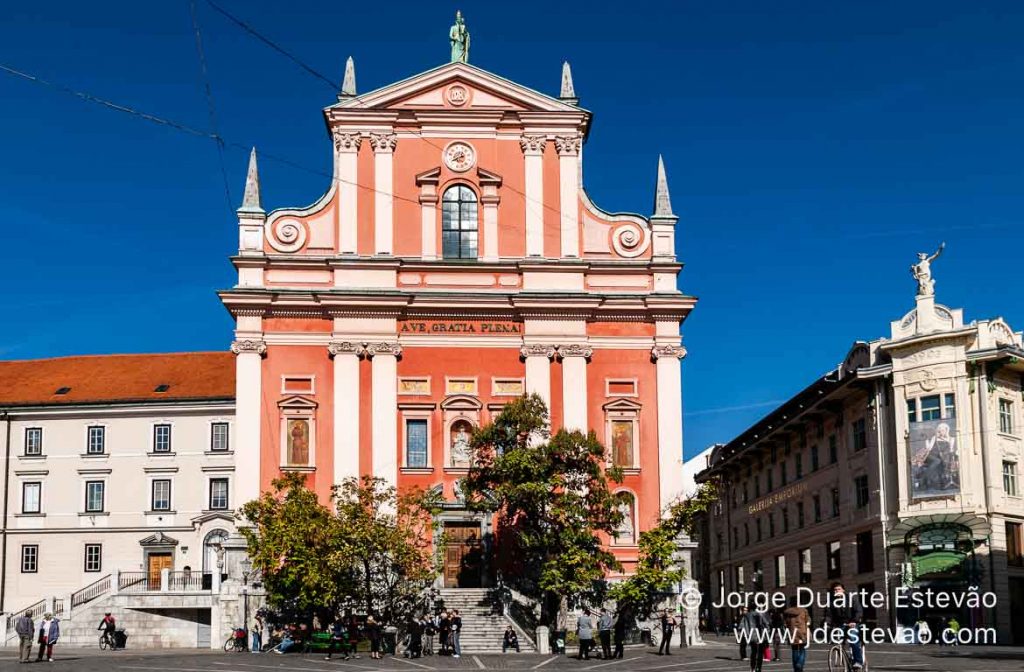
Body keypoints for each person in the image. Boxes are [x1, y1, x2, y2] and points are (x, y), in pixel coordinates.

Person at [826, 582, 864, 669]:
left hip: (853, 623)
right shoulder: (832, 602)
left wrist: (854, 621)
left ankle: (858, 661)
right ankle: (844, 660)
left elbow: (859, 611)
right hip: (840, 624)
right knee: (836, 639)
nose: (837, 591)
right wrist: (827, 624)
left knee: (853, 637)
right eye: (835, 590)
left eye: (839, 589)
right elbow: (828, 615)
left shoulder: (851, 598)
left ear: (843, 590)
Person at [783, 597, 810, 672]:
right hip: (802, 632)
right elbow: (807, 621)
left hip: (792, 633)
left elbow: (785, 624)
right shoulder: (804, 611)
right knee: (802, 649)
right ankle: (800, 663)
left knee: (794, 650)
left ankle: (796, 668)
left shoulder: (787, 613)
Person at [740, 606, 770, 672]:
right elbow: (767, 624)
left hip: (752, 636)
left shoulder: (746, 615)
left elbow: (743, 626)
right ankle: (758, 668)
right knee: (760, 653)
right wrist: (766, 633)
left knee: (753, 652)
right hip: (761, 635)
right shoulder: (760, 614)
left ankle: (752, 668)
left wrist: (747, 635)